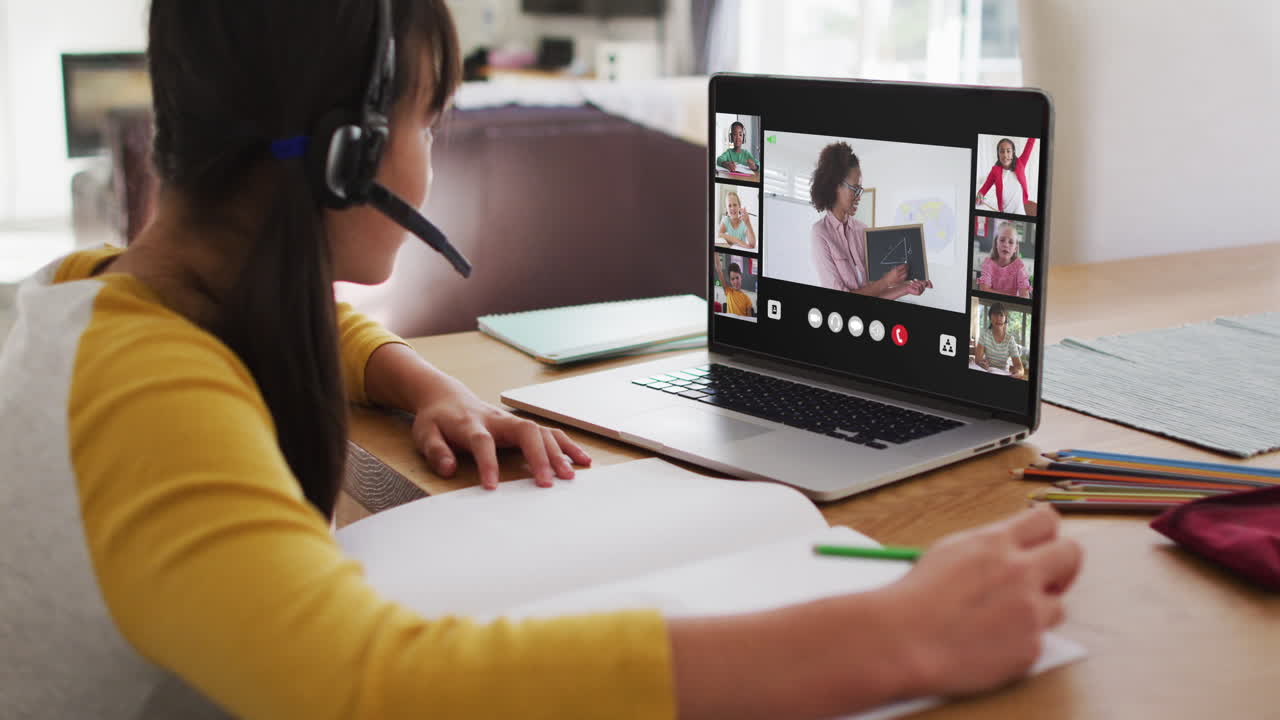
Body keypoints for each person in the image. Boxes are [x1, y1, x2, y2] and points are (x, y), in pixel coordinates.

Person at [0, 2, 1080, 718]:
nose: (431, 157)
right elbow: (365, 688)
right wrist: (893, 638)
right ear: (347, 156)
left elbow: (277, 321)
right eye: (433, 121)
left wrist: (420, 380)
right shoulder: (151, 397)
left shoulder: (103, 297)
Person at [810, 142, 932, 300]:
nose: (859, 196)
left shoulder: (862, 230)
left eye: (860, 190)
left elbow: (875, 292)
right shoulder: (820, 233)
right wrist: (887, 280)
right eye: (855, 189)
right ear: (835, 186)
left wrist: (907, 288)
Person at [976, 137, 1036, 215]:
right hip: (1004, 211)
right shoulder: (995, 170)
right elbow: (984, 188)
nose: (1005, 155)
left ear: (1013, 152)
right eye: (1002, 151)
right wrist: (980, 194)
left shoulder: (1020, 163)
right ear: (998, 154)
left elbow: (1030, 144)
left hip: (1019, 210)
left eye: (1008, 151)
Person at [978, 221, 1032, 298]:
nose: (1006, 245)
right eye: (1002, 240)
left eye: (1011, 242)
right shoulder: (988, 263)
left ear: (1015, 248)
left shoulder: (1019, 266)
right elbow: (984, 290)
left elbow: (1025, 296)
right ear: (996, 243)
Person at [975, 302, 1027, 379]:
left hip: (1003, 374)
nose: (998, 318)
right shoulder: (984, 335)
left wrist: (1017, 373)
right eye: (995, 315)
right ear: (990, 317)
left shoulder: (1010, 339)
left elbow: (1020, 369)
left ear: (1005, 318)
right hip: (987, 371)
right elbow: (978, 361)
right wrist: (981, 364)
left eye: (1001, 315)